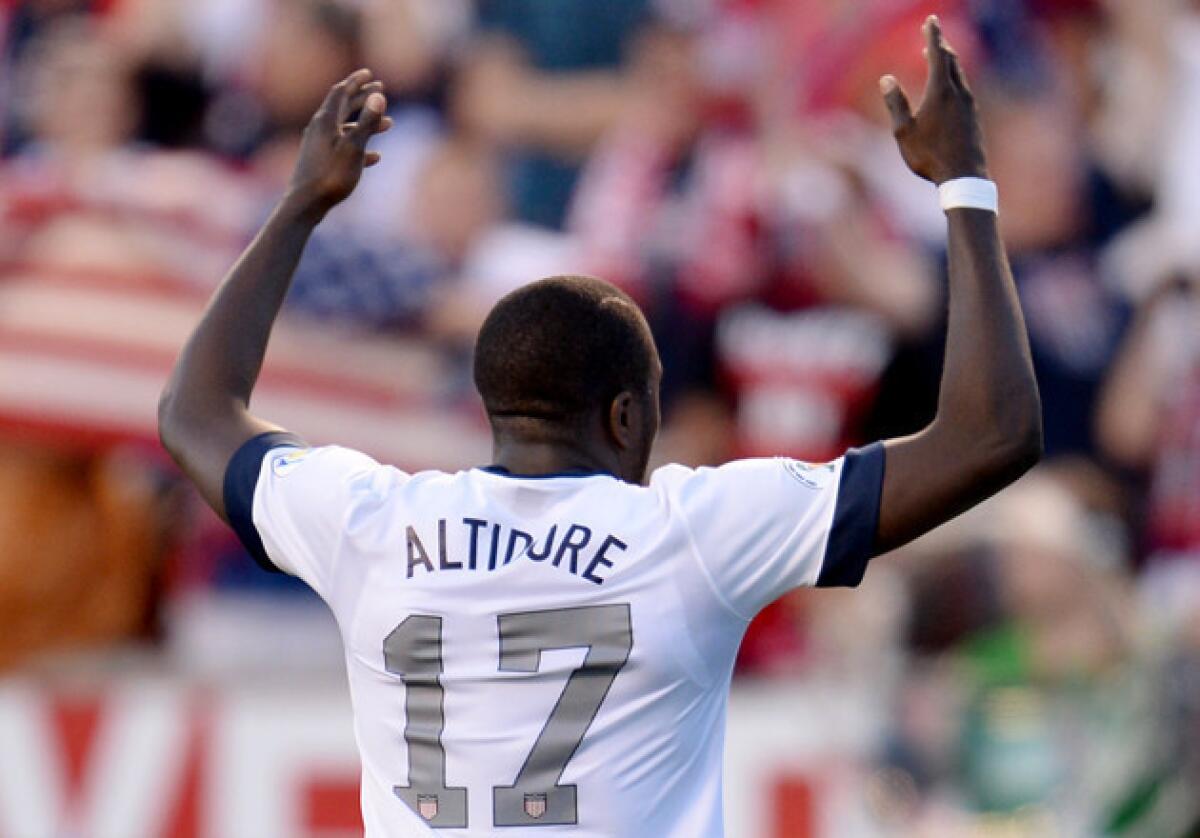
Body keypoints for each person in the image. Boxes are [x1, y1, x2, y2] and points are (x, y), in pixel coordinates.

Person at [158, 17, 1041, 837]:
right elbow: (993, 433)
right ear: (627, 414)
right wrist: (965, 185)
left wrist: (302, 205)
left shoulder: (375, 525)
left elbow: (194, 412)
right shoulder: (688, 533)